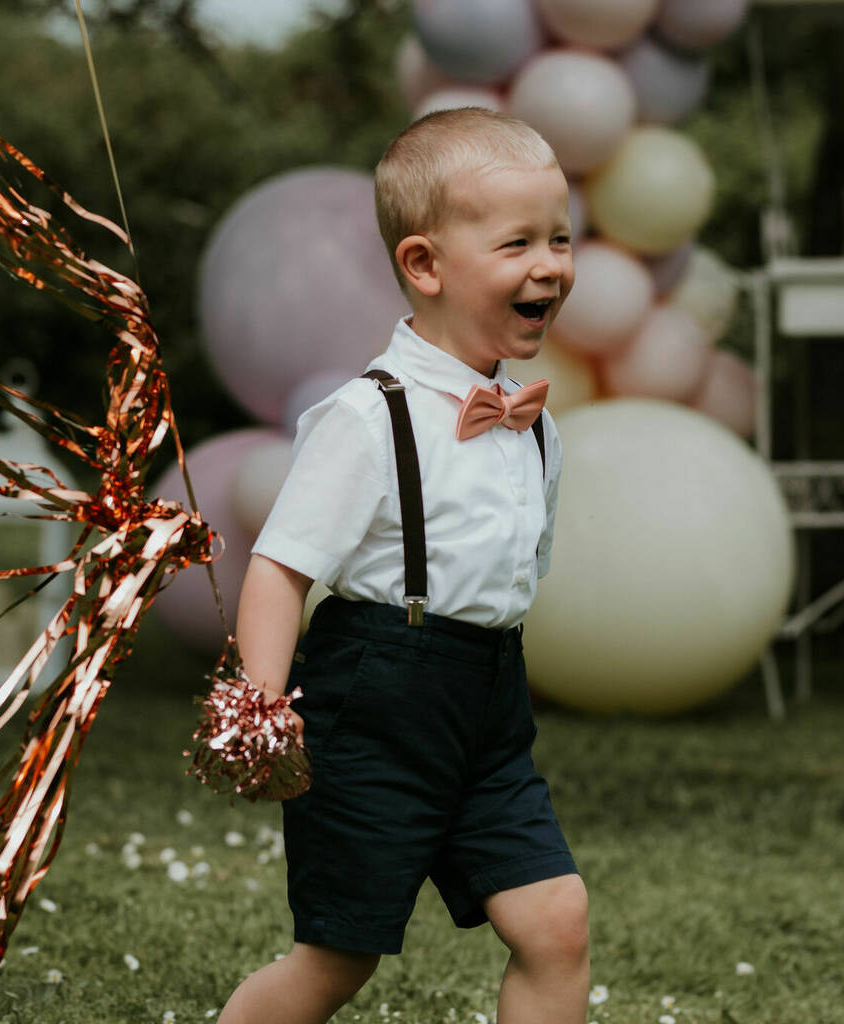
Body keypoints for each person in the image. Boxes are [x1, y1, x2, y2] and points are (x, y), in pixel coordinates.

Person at [218, 107, 586, 1024]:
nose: (550, 263)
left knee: (556, 921)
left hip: (490, 702)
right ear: (424, 265)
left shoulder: (532, 421)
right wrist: (261, 707)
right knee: (337, 959)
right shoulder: (369, 416)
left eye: (561, 237)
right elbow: (280, 567)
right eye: (517, 243)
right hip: (372, 700)